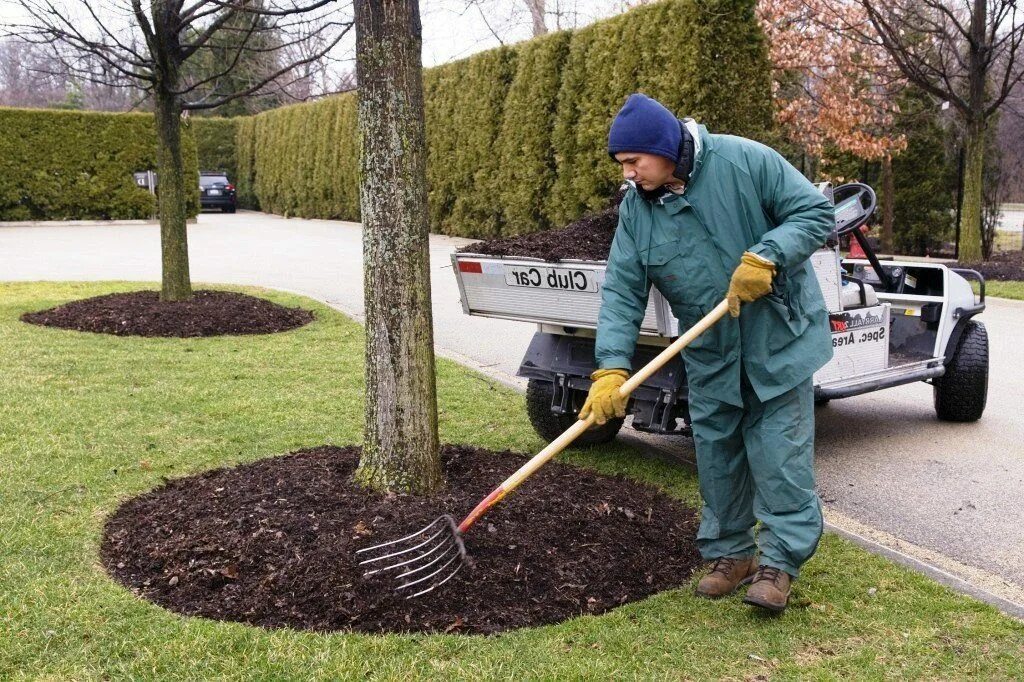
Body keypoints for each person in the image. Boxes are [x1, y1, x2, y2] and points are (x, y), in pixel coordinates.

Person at [579, 93, 835, 613]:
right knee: (717, 454)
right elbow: (622, 291)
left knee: (778, 456)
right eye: (622, 165)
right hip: (710, 345)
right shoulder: (637, 211)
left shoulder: (744, 160)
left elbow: (814, 213)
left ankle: (779, 564)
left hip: (776, 337)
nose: (628, 175)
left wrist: (768, 255)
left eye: (634, 162)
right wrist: (610, 367)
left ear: (663, 147)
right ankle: (731, 554)